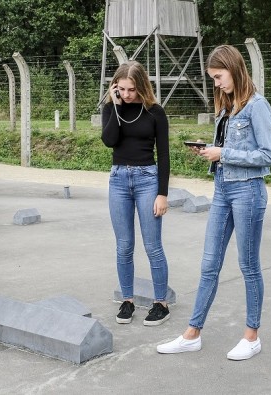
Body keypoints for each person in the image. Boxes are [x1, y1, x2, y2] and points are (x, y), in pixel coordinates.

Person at [156, 45, 271, 361]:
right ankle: (192, 334)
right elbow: (228, 148)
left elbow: (268, 155)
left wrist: (224, 153)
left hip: (248, 191)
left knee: (248, 265)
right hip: (223, 190)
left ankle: (252, 336)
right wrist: (211, 150)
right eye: (213, 78)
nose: (217, 84)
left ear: (234, 70)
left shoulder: (257, 107)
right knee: (209, 264)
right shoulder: (227, 108)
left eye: (219, 77)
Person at [101, 61, 172, 326]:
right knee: (124, 246)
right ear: (115, 87)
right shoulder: (112, 108)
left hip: (147, 180)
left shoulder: (155, 112)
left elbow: (164, 155)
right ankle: (127, 301)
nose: (128, 94)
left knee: (153, 246)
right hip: (118, 180)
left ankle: (160, 303)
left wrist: (162, 194)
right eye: (122, 89)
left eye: (132, 89)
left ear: (141, 86)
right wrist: (116, 105)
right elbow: (109, 141)